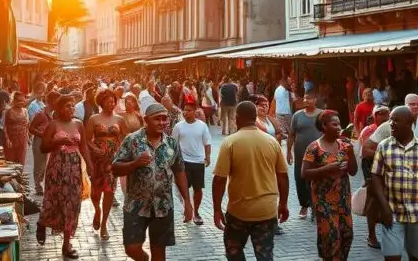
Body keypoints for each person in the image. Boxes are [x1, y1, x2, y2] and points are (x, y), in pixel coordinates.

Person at [112, 103, 192, 261]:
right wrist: (134, 163)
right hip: (136, 205)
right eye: (157, 119)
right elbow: (115, 168)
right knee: (131, 248)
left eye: (165, 119)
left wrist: (187, 202)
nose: (162, 123)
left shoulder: (171, 143)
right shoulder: (132, 140)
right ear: (146, 120)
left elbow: (179, 171)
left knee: (159, 252)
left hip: (163, 205)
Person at [213, 101, 290, 261]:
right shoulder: (272, 142)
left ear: (237, 118)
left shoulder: (230, 142)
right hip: (266, 211)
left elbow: (219, 179)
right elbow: (283, 176)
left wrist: (216, 209)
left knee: (234, 252)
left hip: (238, 211)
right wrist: (283, 204)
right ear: (255, 118)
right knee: (265, 255)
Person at [369, 106, 418, 261]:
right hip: (392, 213)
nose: (390, 123)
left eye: (395, 120)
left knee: (416, 258)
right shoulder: (384, 146)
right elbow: (375, 176)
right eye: (390, 119)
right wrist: (384, 207)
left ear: (409, 123)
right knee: (392, 257)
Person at [37, 93, 91, 259]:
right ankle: (42, 222)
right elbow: (43, 148)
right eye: (67, 106)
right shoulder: (53, 125)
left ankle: (66, 244)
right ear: (59, 108)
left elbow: (84, 147)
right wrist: (57, 142)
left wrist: (90, 167)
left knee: (72, 205)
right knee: (53, 201)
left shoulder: (79, 124)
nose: (71, 108)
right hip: (56, 170)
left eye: (73, 105)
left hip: (74, 169)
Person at [301, 110, 358, 261]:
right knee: (331, 238)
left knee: (347, 235)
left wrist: (351, 154)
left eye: (339, 124)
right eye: (335, 124)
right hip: (323, 202)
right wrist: (326, 169)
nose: (339, 127)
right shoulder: (314, 148)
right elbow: (305, 174)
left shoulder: (344, 146)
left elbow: (353, 171)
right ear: (324, 126)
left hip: (343, 200)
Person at [84, 88, 126, 240]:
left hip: (112, 162)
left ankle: (104, 225)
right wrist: (95, 149)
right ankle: (97, 210)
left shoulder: (120, 120)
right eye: (108, 101)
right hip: (97, 161)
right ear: (101, 102)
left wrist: (120, 153)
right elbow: (87, 139)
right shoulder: (94, 119)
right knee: (95, 193)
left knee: (109, 192)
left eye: (113, 101)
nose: (111, 104)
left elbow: (124, 139)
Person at [173, 97, 212, 226]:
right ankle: (187, 208)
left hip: (198, 162)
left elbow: (207, 143)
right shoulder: (178, 126)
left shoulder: (202, 126)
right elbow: (173, 144)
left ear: (195, 111)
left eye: (189, 110)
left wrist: (208, 157)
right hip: (183, 162)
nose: (186, 112)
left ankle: (196, 212)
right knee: (182, 188)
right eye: (184, 110)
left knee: (198, 189)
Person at [288, 91, 322, 220]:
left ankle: (315, 205)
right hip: (300, 152)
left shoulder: (321, 114)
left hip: (318, 153)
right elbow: (291, 134)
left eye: (310, 98)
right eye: (305, 98)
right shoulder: (297, 115)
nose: (307, 100)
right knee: (300, 177)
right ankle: (304, 205)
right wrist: (288, 152)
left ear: (315, 99)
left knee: (317, 177)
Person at [360, 105, 390, 249]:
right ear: (374, 115)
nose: (383, 116)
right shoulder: (371, 130)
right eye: (380, 113)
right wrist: (387, 157)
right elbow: (365, 152)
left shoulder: (392, 127)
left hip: (393, 172)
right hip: (374, 169)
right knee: (374, 201)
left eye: (386, 113)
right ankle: (371, 235)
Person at [29, 91, 60, 195]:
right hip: (39, 141)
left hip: (49, 142)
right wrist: (43, 134)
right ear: (51, 101)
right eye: (57, 101)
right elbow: (31, 128)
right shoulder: (41, 114)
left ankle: (41, 183)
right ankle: (38, 186)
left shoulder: (54, 114)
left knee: (45, 164)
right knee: (39, 164)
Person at [3, 92, 29, 165]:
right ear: (14, 101)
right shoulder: (8, 111)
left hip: (22, 140)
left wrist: (28, 138)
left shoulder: (25, 111)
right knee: (11, 162)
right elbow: (4, 126)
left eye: (22, 101)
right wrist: (7, 139)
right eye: (18, 100)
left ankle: (19, 176)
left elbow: (27, 125)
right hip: (11, 140)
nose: (20, 102)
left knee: (21, 162)